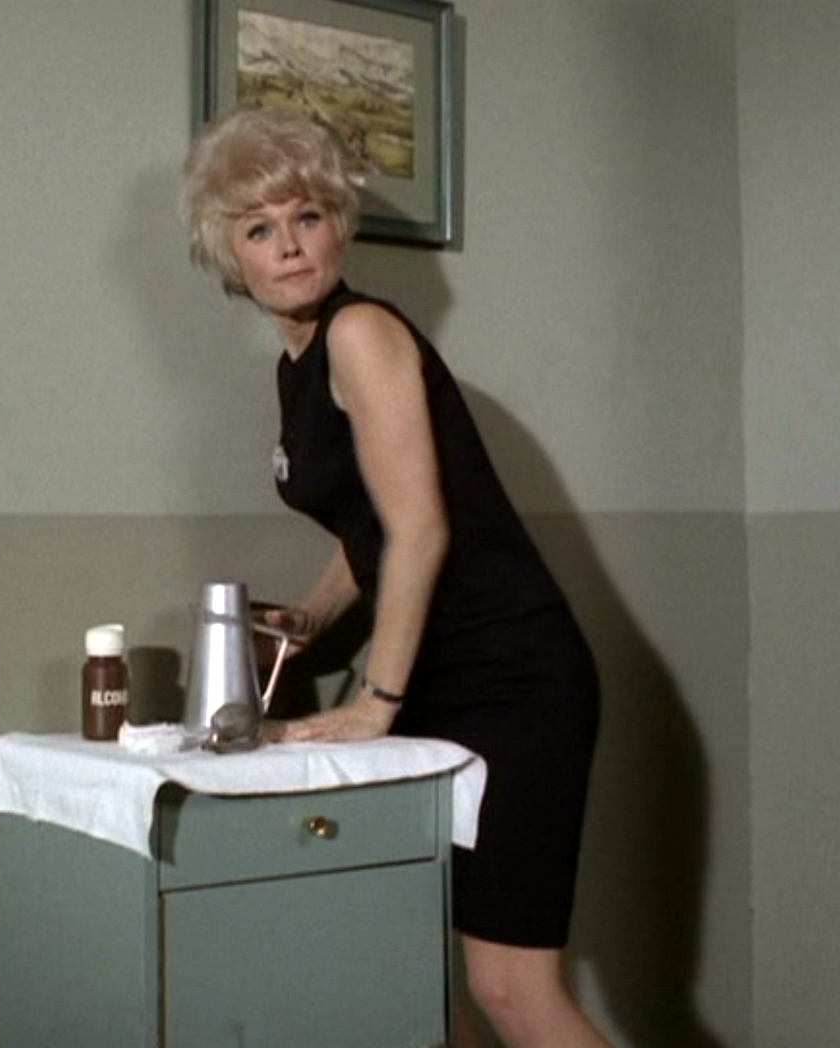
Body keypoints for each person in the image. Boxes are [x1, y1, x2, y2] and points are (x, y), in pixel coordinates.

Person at [180, 104, 613, 1048]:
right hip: (436, 676)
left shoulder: (361, 333)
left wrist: (374, 703)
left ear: (339, 223)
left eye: (308, 217)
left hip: (511, 680)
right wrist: (313, 616)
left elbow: (418, 530)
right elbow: (369, 523)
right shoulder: (299, 365)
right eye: (260, 229)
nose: (291, 246)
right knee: (414, 973)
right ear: (230, 256)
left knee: (511, 989)